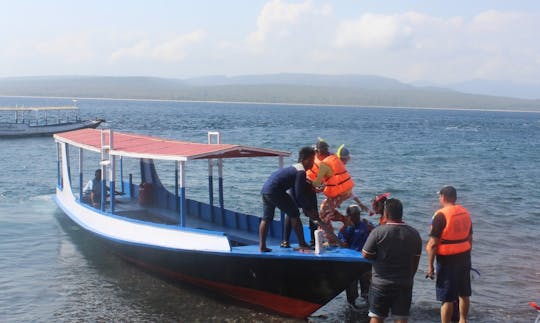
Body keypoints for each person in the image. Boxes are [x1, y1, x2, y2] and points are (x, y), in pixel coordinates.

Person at [362, 198, 422, 323]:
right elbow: (416, 260)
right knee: (401, 318)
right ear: (401, 213)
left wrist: (378, 259)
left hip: (381, 283)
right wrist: (409, 277)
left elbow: (366, 254)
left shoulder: (377, 232)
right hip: (404, 283)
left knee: (376, 317)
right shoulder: (414, 233)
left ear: (386, 214)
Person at [426, 186, 473, 323]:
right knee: (464, 293)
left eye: (439, 196)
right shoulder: (465, 212)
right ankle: (463, 320)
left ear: (443, 197)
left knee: (446, 297)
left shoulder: (441, 215)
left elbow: (433, 244)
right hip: (464, 255)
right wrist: (468, 255)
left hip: (447, 259)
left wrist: (430, 266)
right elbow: (470, 237)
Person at [259, 146, 318, 252]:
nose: (313, 164)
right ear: (306, 160)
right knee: (294, 213)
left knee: (266, 218)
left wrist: (304, 206)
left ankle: (262, 246)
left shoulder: (295, 168)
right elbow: (299, 194)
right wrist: (308, 208)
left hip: (266, 190)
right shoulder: (301, 171)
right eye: (312, 160)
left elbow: (295, 190)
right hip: (275, 191)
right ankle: (302, 244)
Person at [312, 143, 368, 243]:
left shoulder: (333, 164)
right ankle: (345, 221)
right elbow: (347, 189)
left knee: (324, 215)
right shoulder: (335, 164)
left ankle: (330, 240)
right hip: (339, 194)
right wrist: (360, 203)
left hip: (339, 195)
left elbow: (345, 189)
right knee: (325, 212)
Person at [338, 204, 373, 308]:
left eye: (358, 214)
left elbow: (376, 234)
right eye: (354, 215)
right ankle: (351, 305)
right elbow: (342, 243)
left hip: (365, 261)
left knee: (366, 287)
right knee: (351, 286)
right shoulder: (346, 228)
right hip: (351, 262)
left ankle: (368, 306)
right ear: (348, 216)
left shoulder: (366, 224)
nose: (357, 217)